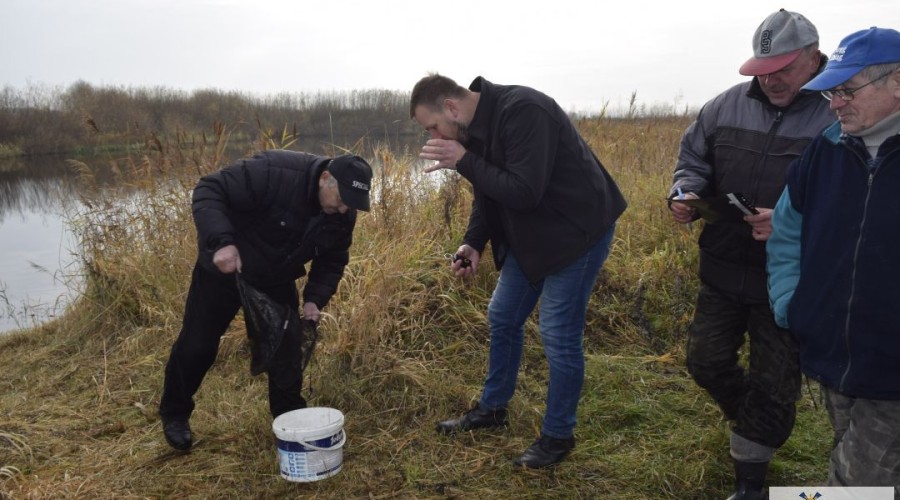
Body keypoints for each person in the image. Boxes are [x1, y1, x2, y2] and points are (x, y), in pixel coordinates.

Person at [410, 73, 627, 469]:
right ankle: (493, 410)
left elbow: (525, 191)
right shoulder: (471, 132)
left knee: (558, 334)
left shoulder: (524, 111)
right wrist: (473, 243)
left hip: (576, 234)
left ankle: (558, 436)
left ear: (452, 108)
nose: (435, 136)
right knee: (503, 316)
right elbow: (488, 195)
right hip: (534, 237)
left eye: (433, 126)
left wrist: (464, 160)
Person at [668, 9, 833, 498]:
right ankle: (756, 426)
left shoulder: (837, 112)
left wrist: (786, 225)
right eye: (763, 69)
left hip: (788, 281)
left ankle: (751, 480)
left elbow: (850, 202)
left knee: (776, 383)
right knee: (705, 363)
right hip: (721, 270)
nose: (772, 79)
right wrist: (685, 194)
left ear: (813, 57)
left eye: (783, 67)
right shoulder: (722, 107)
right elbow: (693, 160)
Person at [158, 150, 372, 451]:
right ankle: (175, 414)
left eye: (352, 203)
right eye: (342, 198)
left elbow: (333, 259)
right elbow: (209, 189)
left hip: (275, 276)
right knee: (198, 344)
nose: (344, 208)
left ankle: (290, 421)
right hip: (225, 268)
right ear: (325, 179)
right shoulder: (274, 171)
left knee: (287, 351)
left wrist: (314, 300)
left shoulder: (342, 212)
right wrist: (222, 242)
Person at [768, 27, 900, 489]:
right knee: (866, 466)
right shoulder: (823, 153)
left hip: (893, 369)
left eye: (846, 90)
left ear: (898, 82)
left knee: (855, 481)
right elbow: (785, 231)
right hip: (833, 355)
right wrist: (792, 302)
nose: (834, 103)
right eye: (831, 91)